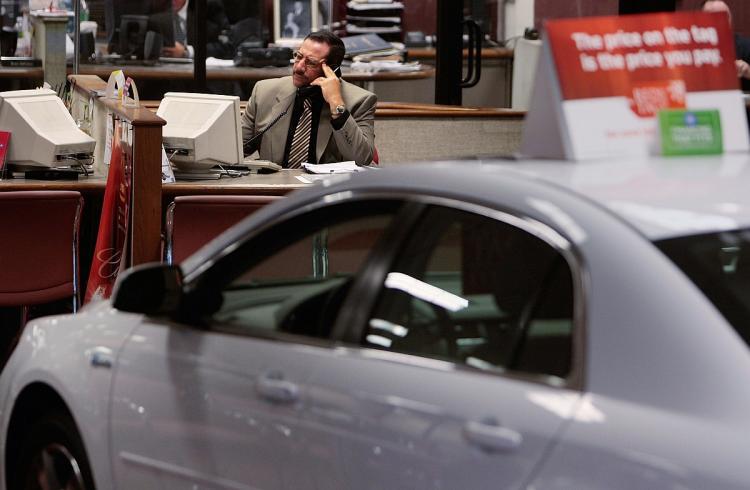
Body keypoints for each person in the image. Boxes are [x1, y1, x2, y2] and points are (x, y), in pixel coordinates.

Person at [241, 30, 376, 167]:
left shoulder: (360, 101)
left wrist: (337, 104)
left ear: (331, 69)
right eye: (298, 56)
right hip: (274, 185)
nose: (299, 67)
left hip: (326, 187)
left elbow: (361, 159)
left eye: (311, 63)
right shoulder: (264, 92)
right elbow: (237, 148)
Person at [701, 0, 750, 89]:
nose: (720, 20)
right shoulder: (690, 49)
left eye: (725, 15)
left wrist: (748, 71)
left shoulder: (746, 46)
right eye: (713, 16)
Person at [161, 0, 231, 59]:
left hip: (197, 71)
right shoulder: (153, 9)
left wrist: (187, 52)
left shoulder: (208, 6)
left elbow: (225, 47)